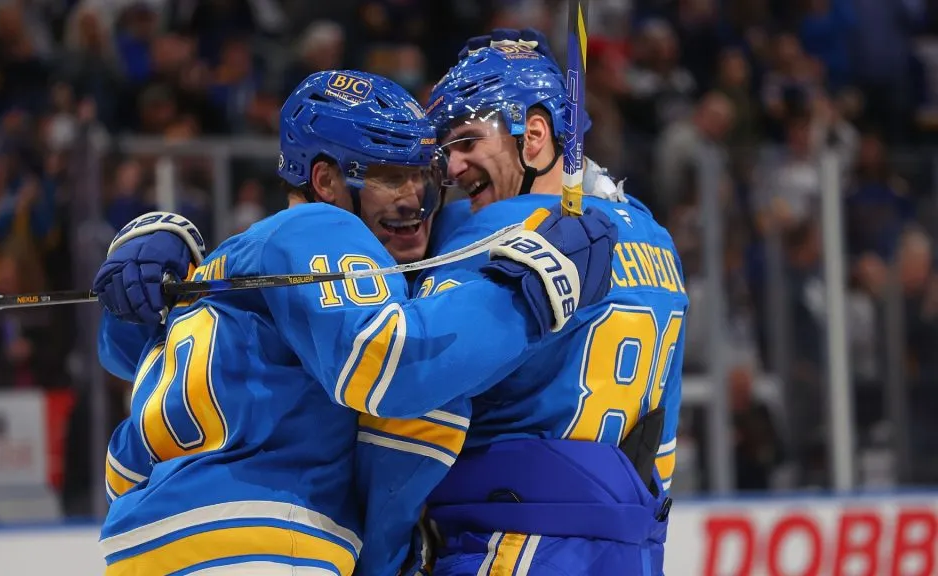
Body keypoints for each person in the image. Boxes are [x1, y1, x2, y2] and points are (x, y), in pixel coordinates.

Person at [92, 69, 618, 576]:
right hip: (263, 537)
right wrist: (533, 292)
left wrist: (147, 236)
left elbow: (124, 346)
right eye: (389, 176)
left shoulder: (231, 264)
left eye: (423, 174)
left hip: (143, 540)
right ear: (324, 180)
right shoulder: (322, 226)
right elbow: (390, 364)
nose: (414, 197)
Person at [406, 34, 690, 575]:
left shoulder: (493, 229)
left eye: (466, 141)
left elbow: (415, 381)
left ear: (533, 134)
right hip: (627, 544)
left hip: (513, 538)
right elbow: (663, 432)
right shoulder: (656, 237)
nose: (453, 167)